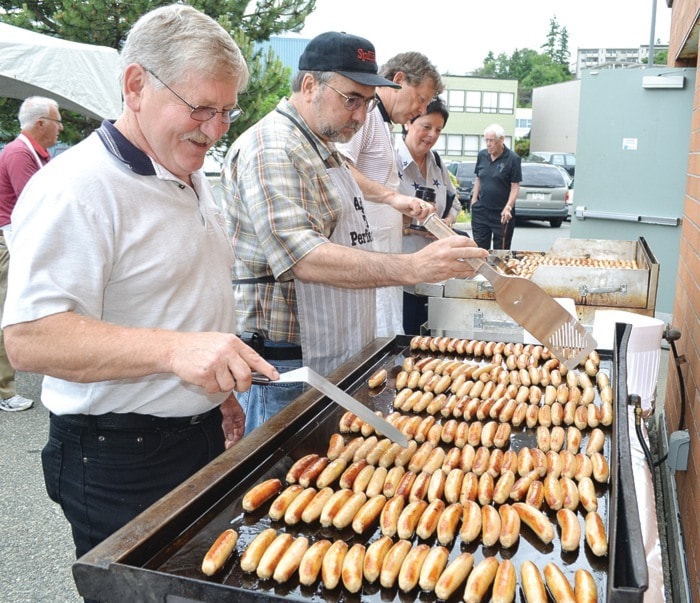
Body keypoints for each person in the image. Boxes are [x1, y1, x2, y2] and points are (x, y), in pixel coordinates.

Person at [1, 4, 277, 565]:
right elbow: (30, 339)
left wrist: (216, 395)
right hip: (115, 454)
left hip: (190, 432)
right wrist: (178, 352)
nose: (217, 129)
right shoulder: (76, 188)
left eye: (227, 111)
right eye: (201, 107)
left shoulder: (188, 172)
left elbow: (176, 294)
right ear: (135, 86)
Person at [222, 31, 487, 435]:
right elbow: (305, 257)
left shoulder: (320, 145)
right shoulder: (274, 148)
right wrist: (413, 266)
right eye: (352, 99)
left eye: (367, 102)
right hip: (285, 366)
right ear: (310, 85)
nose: (362, 115)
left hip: (327, 351)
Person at [337, 51, 443, 338]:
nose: (421, 110)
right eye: (421, 98)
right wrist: (392, 198)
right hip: (367, 261)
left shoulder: (384, 125)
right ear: (399, 79)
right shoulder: (366, 116)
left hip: (384, 261)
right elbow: (341, 168)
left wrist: (405, 219)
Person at [0, 96, 63, 412]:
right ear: (41, 124)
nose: (61, 128)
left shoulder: (32, 153)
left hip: (18, 241)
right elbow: (36, 202)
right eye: (58, 121)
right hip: (9, 244)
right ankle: (4, 391)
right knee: (6, 315)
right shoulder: (19, 153)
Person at [396, 97, 461, 334]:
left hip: (434, 276)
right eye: (426, 127)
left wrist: (446, 223)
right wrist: (405, 222)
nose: (432, 135)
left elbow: (455, 203)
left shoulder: (436, 162)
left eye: (438, 130)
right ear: (407, 124)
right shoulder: (389, 159)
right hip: (400, 279)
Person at [470, 123, 522, 250]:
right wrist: (474, 201)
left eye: (491, 140)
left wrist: (508, 207)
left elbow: (515, 186)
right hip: (481, 210)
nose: (488, 144)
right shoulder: (482, 155)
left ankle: (498, 271)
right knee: (480, 250)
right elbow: (478, 178)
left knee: (501, 252)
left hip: (502, 213)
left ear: (501, 140)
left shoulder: (513, 159)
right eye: (486, 140)